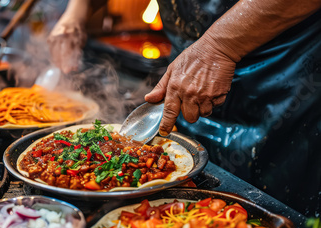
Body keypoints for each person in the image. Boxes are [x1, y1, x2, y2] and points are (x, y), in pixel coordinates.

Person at [47, 0, 321, 216]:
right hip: (190, 68)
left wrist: (219, 46)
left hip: (285, 75)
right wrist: (76, 11)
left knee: (277, 203)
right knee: (193, 182)